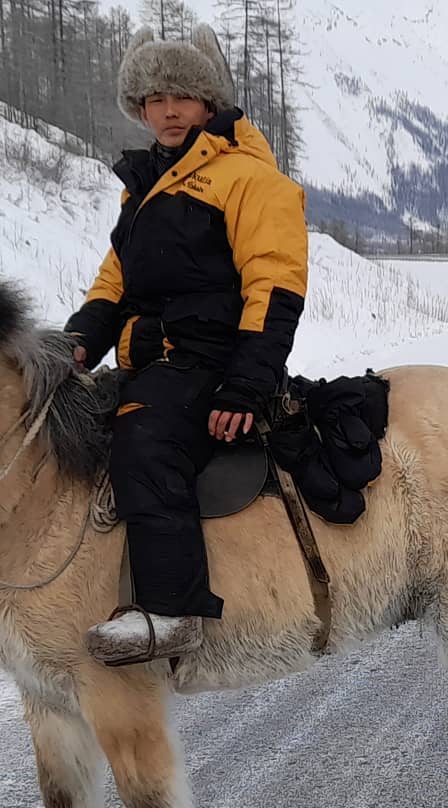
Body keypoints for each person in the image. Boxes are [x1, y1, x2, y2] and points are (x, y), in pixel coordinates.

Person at [65, 23, 308, 665]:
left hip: (213, 363)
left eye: (182, 95)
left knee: (145, 438)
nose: (167, 109)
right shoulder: (144, 185)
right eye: (153, 98)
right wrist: (78, 343)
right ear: (139, 108)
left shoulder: (249, 179)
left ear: (208, 104)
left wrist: (247, 384)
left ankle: (171, 610)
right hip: (151, 360)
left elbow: (275, 285)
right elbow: (114, 279)